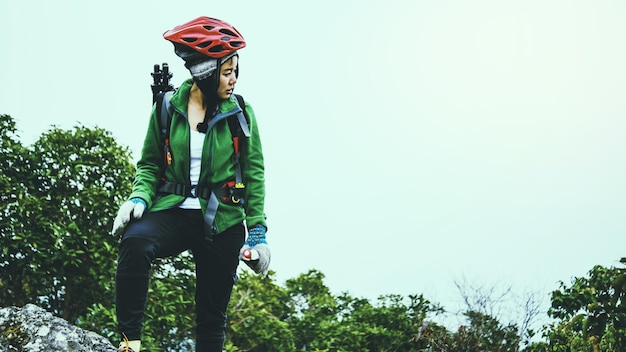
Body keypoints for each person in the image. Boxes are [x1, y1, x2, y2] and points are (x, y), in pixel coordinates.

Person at [111, 16, 268, 352]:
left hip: (223, 219)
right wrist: (138, 200)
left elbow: (253, 173)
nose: (234, 80)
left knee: (211, 315)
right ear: (205, 72)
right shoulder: (168, 108)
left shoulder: (241, 112)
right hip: (174, 211)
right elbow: (151, 164)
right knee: (135, 243)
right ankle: (129, 345)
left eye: (236, 71)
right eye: (227, 72)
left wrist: (258, 235)